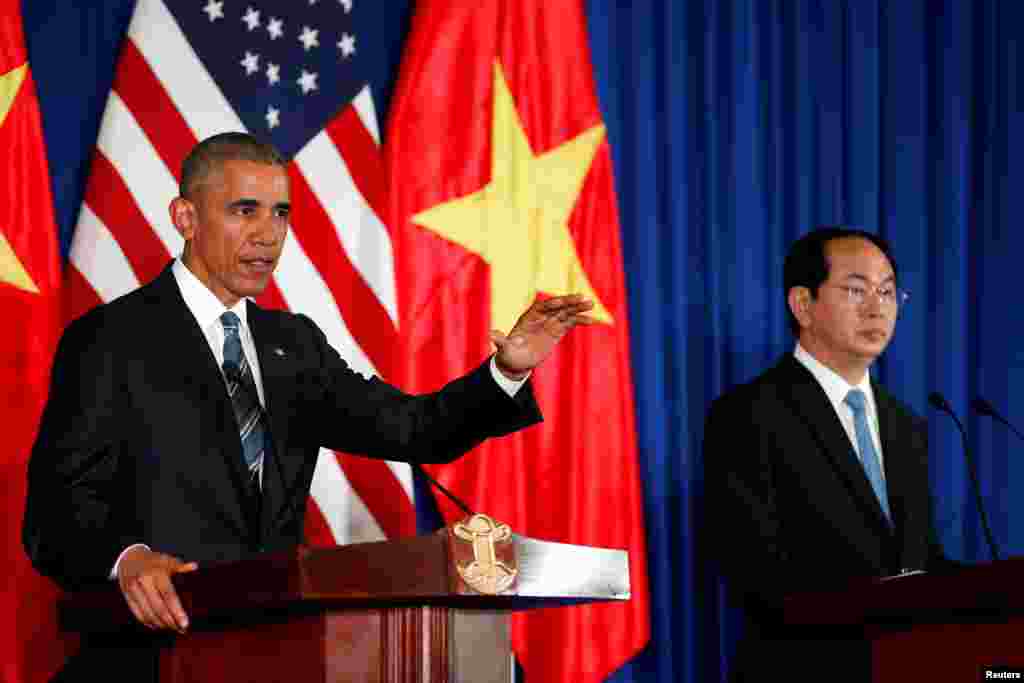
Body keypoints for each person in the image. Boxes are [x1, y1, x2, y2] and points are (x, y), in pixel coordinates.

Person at [22, 132, 594, 678]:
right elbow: (54, 516)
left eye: (281, 213)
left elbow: (415, 430)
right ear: (186, 218)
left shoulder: (293, 346)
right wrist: (130, 560)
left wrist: (508, 370)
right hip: (154, 658)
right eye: (245, 210)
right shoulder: (111, 338)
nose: (269, 235)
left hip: (278, 655)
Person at [703, 227, 949, 682]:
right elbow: (754, 573)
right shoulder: (748, 414)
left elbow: (921, 559)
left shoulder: (907, 424)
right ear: (803, 305)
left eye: (888, 292)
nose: (877, 307)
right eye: (856, 290)